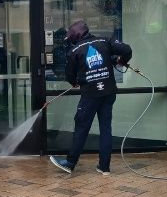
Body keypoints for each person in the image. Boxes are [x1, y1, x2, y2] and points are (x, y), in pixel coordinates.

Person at [50, 20, 132, 175]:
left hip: (90, 96)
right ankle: (104, 167)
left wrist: (75, 82)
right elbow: (127, 49)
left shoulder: (75, 51)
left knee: (81, 126)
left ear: (75, 35)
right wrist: (121, 61)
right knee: (106, 128)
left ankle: (70, 162)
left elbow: (70, 76)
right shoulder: (104, 41)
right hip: (108, 92)